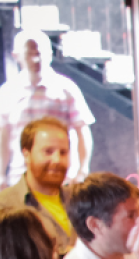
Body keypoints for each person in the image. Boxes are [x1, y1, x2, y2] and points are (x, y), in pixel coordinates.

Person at [0, 29, 92, 187]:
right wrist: (1, 174)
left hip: (62, 178)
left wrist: (82, 171)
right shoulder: (8, 92)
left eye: (40, 52)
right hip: (21, 179)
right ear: (17, 55)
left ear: (50, 53)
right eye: (30, 52)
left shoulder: (65, 89)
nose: (37, 58)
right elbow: (4, 136)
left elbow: (82, 130)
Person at [0, 117, 74, 255]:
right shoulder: (6, 206)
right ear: (26, 155)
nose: (57, 160)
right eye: (48, 152)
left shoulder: (82, 201)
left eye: (63, 153)